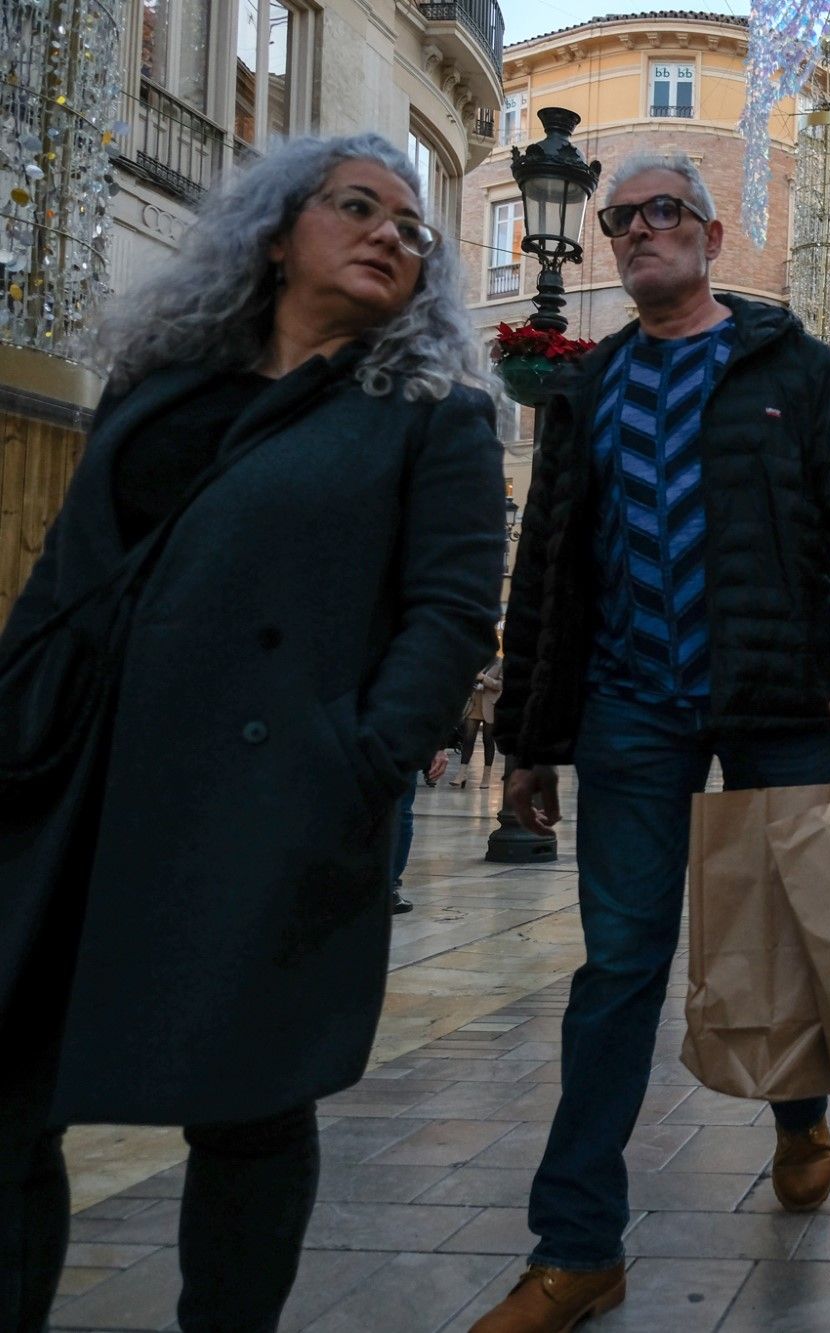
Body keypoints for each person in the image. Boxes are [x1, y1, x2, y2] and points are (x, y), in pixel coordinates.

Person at [0, 135, 502, 1333]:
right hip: (76, 773)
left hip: (269, 791)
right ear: (279, 234)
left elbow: (450, 614)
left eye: (413, 229)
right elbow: (68, 566)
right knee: (12, 1085)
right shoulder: (161, 380)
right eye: (358, 208)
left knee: (248, 1102)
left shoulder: (434, 417)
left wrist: (360, 762)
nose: (392, 234)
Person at [479, 150, 830, 1333]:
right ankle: (575, 1248)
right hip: (630, 710)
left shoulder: (796, 371)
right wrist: (526, 738)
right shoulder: (590, 390)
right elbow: (549, 576)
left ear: (712, 239)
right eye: (618, 220)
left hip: (780, 705)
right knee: (618, 968)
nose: (634, 233)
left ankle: (798, 1113)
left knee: (784, 945)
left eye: (661, 212)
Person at [391, 748, 456, 914]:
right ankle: (387, 886)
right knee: (400, 812)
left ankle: (385, 885)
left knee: (399, 811)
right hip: (397, 742)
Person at [451, 656, 504, 788]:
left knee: (488, 740)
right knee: (468, 739)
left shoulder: (500, 662)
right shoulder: (475, 658)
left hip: (490, 706)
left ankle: (486, 777)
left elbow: (501, 685)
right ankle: (461, 774)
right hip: (473, 705)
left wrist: (483, 678)